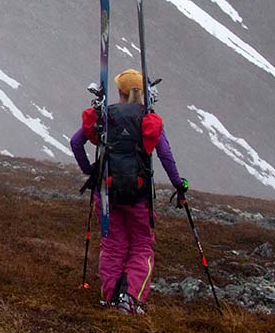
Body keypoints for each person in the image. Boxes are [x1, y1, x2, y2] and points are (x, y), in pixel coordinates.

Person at [71, 69, 188, 315]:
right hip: (139, 196)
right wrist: (179, 184)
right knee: (142, 246)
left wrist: (89, 171)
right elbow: (165, 155)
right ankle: (131, 299)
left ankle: (111, 298)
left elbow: (76, 142)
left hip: (108, 193)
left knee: (113, 246)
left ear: (119, 92)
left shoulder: (105, 117)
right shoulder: (148, 120)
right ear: (142, 93)